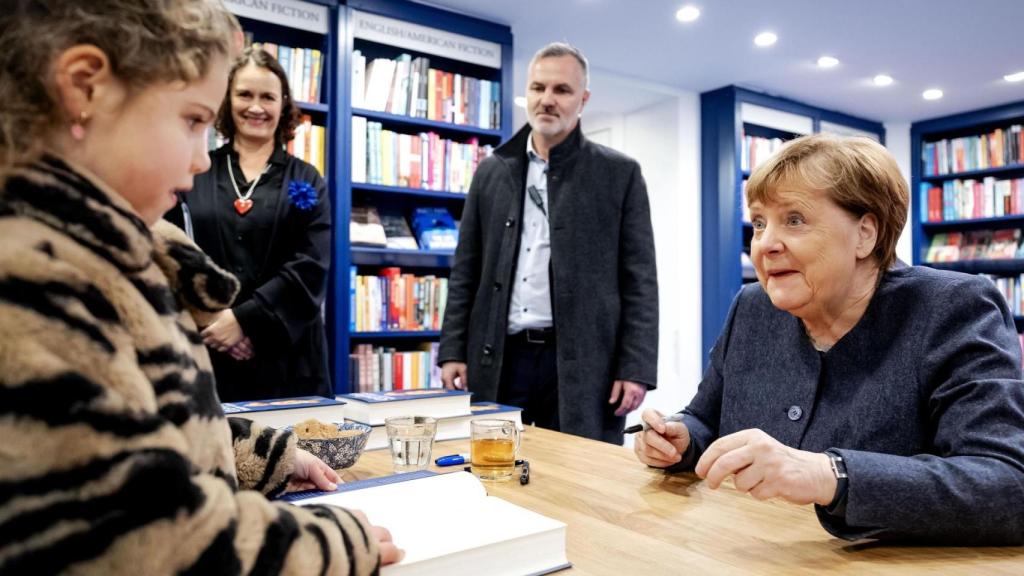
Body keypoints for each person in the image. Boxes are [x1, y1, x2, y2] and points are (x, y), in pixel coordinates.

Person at [0, 1, 401, 572]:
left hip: (286, 354)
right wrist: (336, 544)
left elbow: (160, 424)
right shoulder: (38, 282)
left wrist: (265, 456)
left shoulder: (110, 253)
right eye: (192, 120)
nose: (194, 161)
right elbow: (144, 534)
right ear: (84, 88)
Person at [634, 133, 1024, 544]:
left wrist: (829, 475)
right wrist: (679, 440)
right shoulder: (751, 307)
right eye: (759, 223)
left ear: (865, 234)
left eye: (795, 220)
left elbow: (1008, 485)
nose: (765, 244)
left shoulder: (952, 308)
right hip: (748, 554)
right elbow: (704, 418)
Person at [438, 42, 659, 444]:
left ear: (583, 99)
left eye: (562, 90)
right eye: (538, 88)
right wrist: (452, 349)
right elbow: (466, 268)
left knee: (583, 479)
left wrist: (636, 366)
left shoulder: (619, 174)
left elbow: (640, 278)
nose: (547, 100)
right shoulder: (491, 172)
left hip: (583, 363)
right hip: (501, 358)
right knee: (493, 471)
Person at [166, 46, 331, 402]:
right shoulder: (197, 170)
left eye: (268, 97)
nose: (256, 107)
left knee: (296, 458)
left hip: (289, 358)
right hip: (208, 352)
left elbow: (311, 266)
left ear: (282, 104)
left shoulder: (308, 178)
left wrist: (245, 321)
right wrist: (213, 320)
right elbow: (171, 249)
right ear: (228, 100)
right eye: (244, 94)